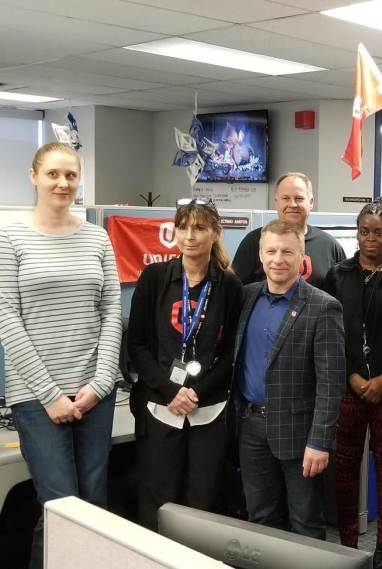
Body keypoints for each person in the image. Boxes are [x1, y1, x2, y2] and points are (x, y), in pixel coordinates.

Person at [0, 142, 122, 569]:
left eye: (70, 175)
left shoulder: (97, 236)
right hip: (36, 397)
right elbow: (7, 321)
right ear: (34, 176)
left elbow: (112, 312)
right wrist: (49, 394)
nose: (63, 183)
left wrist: (101, 384)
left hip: (94, 395)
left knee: (95, 505)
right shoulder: (8, 238)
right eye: (53, 174)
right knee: (61, 507)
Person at [126, 199, 244, 530]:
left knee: (202, 502)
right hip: (160, 407)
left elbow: (232, 354)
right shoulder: (154, 278)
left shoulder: (229, 286)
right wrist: (170, 390)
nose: (189, 236)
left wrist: (195, 392)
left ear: (216, 234)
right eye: (183, 227)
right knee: (158, 503)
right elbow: (136, 345)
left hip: (208, 410)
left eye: (200, 228)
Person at [230, 219, 346, 539]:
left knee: (306, 520)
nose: (278, 258)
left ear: (301, 256)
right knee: (261, 517)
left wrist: (319, 441)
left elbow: (331, 381)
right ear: (260, 254)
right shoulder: (245, 297)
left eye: (286, 251)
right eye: (271, 251)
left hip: (300, 433)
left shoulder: (324, 307)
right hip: (251, 427)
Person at [323, 199, 382, 567]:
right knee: (344, 466)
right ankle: (345, 545)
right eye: (363, 231)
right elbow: (329, 333)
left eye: (378, 232)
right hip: (348, 385)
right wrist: (352, 376)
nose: (370, 239)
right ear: (356, 233)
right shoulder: (337, 274)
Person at [231, 172, 346, 290]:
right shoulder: (253, 241)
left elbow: (342, 293)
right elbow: (236, 293)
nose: (292, 204)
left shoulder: (330, 246)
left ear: (311, 202)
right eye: (286, 198)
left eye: (299, 198)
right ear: (276, 202)